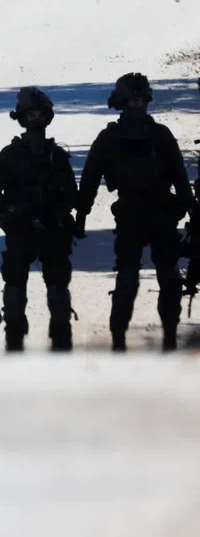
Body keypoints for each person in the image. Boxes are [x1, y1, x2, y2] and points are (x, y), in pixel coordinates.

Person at [76, 73, 192, 352]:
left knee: (165, 276)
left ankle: (162, 337)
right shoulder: (127, 137)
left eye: (140, 99)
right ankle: (122, 338)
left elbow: (179, 175)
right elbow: (89, 181)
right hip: (138, 214)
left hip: (156, 212)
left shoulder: (146, 136)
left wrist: (190, 209)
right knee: (134, 277)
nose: (137, 104)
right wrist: (80, 217)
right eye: (134, 100)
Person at [0, 87, 78, 352]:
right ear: (25, 118)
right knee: (33, 284)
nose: (36, 119)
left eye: (40, 114)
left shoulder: (50, 156)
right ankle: (46, 339)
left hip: (42, 229)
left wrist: (9, 210)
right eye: (32, 114)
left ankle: (24, 339)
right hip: (31, 229)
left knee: (43, 284)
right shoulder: (37, 155)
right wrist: (11, 211)